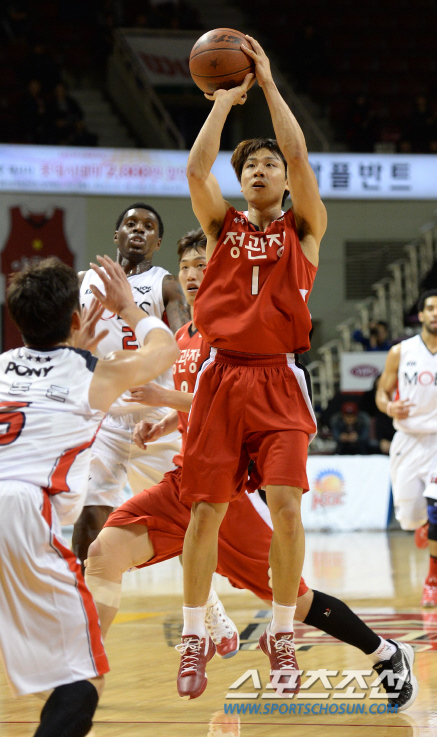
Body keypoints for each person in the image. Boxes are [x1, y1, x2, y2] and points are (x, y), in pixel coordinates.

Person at [86, 228, 417, 711]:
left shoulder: (236, 336)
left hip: (227, 495)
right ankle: (81, 676)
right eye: (186, 267)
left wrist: (164, 397)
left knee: (296, 600)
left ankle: (385, 652)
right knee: (103, 554)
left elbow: (225, 401)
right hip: (184, 481)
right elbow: (199, 407)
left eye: (203, 265)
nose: (193, 275)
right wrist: (165, 421)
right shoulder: (181, 337)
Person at [0, 256, 179, 737]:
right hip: (13, 510)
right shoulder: (95, 373)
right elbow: (165, 351)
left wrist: (69, 344)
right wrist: (127, 306)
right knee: (83, 678)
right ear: (76, 319)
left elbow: (37, 375)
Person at [176, 35, 327, 699]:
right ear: (241, 182)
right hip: (222, 376)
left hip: (277, 378)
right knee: (206, 511)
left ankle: (283, 635)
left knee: (287, 508)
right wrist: (221, 101)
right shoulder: (222, 228)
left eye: (270, 164)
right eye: (252, 166)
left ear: (285, 179)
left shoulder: (304, 229)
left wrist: (265, 84)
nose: (262, 170)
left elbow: (299, 151)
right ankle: (193, 637)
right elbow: (195, 171)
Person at [73, 203, 190, 563]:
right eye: (131, 223)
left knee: (187, 517)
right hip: (107, 415)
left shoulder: (165, 284)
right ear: (116, 235)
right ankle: (84, 588)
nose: (139, 229)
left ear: (158, 243)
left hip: (155, 416)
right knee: (91, 506)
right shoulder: (84, 282)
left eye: (148, 226)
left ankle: (205, 595)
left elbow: (185, 343)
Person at [377, 289, 437, 608]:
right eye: (431, 308)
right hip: (408, 440)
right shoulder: (401, 352)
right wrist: (389, 407)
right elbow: (381, 392)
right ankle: (422, 524)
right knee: (411, 517)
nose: (436, 313)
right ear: (421, 315)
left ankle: (432, 581)